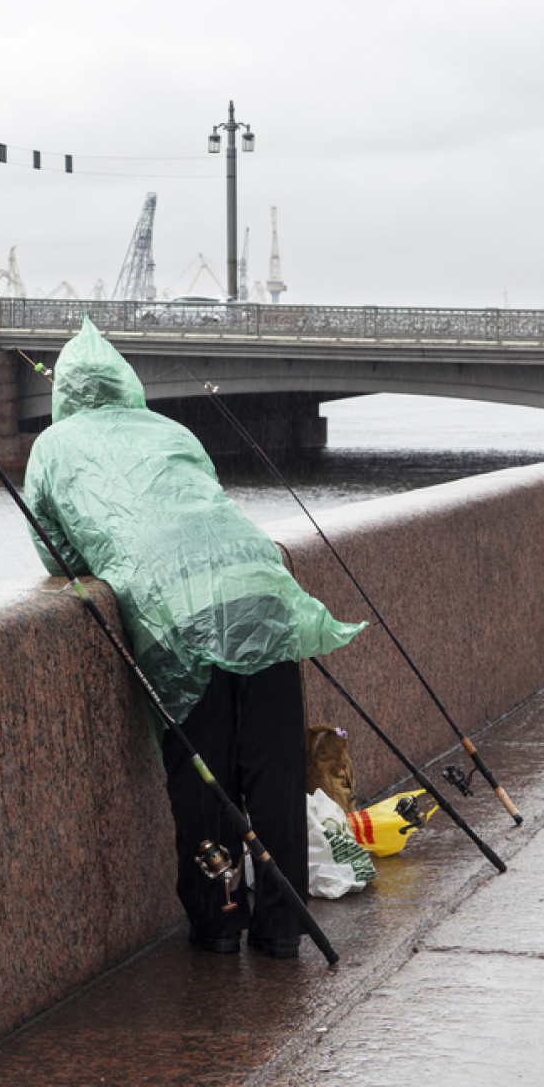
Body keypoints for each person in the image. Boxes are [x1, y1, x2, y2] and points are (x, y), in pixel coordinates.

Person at [24, 318, 364, 958]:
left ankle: (218, 920)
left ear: (64, 394)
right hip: (260, 586)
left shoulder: (52, 447)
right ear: (127, 385)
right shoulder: (172, 429)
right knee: (275, 765)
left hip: (175, 615)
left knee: (203, 769)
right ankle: (283, 929)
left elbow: (55, 553)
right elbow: (203, 498)